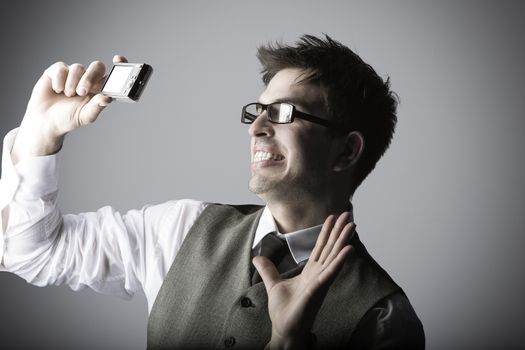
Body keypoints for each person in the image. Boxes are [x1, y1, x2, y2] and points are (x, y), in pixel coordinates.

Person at [0, 34, 424, 349]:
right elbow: (31, 252)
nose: (257, 127)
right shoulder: (179, 229)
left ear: (347, 150)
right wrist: (40, 135)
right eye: (258, 111)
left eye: (283, 113)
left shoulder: (383, 318)